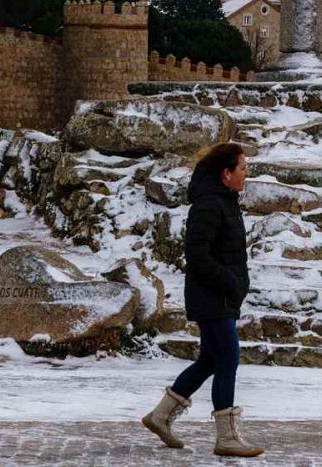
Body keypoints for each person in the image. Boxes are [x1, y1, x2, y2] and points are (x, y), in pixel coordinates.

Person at [141, 142, 263, 458]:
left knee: (211, 360)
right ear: (226, 173)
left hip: (221, 297)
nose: (246, 173)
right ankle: (227, 437)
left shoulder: (224, 201)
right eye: (243, 168)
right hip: (213, 297)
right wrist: (230, 283)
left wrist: (235, 285)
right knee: (228, 359)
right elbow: (197, 254)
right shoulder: (209, 204)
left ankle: (160, 416)